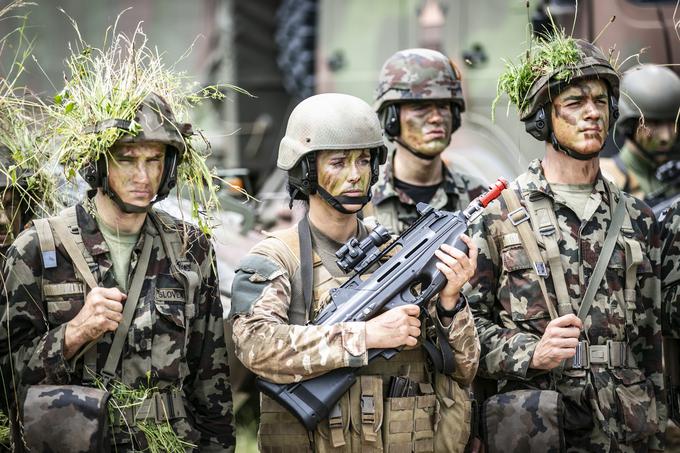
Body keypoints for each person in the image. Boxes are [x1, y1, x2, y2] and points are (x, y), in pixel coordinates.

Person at [230, 92, 480, 452]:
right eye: (337, 163)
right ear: (305, 169)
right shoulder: (276, 258)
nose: (354, 175)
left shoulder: (400, 255)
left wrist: (450, 302)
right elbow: (256, 348)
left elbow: (465, 367)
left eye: (363, 161)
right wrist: (364, 336)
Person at [0, 89, 235, 451]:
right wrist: (72, 333)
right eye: (127, 159)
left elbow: (211, 383)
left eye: (154, 159)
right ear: (99, 163)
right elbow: (5, 380)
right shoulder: (37, 250)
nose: (143, 175)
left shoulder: (190, 249)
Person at [466, 38, 666, 452]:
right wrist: (530, 352)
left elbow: (654, 340)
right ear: (542, 118)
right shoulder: (498, 215)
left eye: (601, 101)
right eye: (574, 102)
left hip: (626, 429)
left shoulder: (639, 218)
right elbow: (462, 332)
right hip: (537, 427)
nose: (593, 112)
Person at [365, 48, 485, 234]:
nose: (436, 118)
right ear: (392, 118)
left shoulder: (480, 198)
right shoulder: (363, 199)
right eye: (420, 107)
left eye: (444, 106)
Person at [600, 64, 680, 207]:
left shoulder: (674, 173)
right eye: (654, 123)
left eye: (673, 122)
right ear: (629, 125)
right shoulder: (607, 181)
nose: (666, 137)